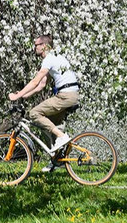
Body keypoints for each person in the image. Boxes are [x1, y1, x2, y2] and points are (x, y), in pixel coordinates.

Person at [8, 35, 79, 170]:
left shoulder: (49, 59)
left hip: (65, 96)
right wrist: (23, 96)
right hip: (71, 95)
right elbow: (41, 85)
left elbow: (35, 81)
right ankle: (57, 160)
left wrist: (16, 96)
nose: (35, 48)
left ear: (45, 46)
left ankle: (61, 137)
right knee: (46, 125)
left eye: (37, 45)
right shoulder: (56, 57)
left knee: (34, 113)